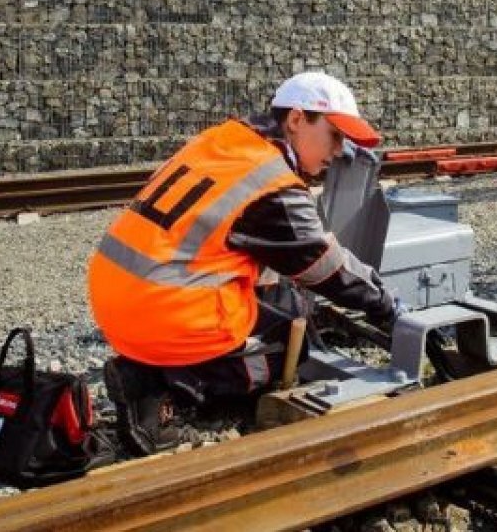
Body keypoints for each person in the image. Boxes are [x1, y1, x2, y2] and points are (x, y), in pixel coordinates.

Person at [87, 72, 400, 455]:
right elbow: (326, 267)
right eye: (335, 135)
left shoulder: (223, 141)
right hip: (161, 311)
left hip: (116, 296)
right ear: (297, 120)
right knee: (290, 344)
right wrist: (386, 304)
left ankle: (159, 362)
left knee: (282, 296)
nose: (339, 151)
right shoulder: (273, 184)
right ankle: (163, 384)